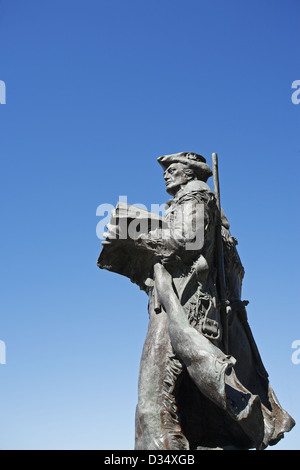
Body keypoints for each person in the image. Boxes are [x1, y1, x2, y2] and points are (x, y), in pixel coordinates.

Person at [101, 152, 295, 450]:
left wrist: (131, 232)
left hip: (187, 303)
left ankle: (165, 446)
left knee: (155, 383)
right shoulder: (187, 201)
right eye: (166, 171)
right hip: (179, 297)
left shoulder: (196, 197)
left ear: (191, 173)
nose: (167, 175)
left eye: (173, 169)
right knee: (181, 384)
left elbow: (185, 241)